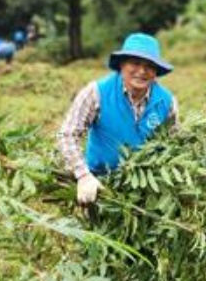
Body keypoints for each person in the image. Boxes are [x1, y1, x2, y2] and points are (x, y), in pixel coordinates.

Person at [57, 33, 178, 205]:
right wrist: (83, 176)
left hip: (146, 187)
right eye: (135, 63)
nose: (142, 71)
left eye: (149, 66)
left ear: (156, 71)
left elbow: (172, 144)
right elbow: (67, 134)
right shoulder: (96, 93)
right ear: (122, 65)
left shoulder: (167, 102)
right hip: (100, 185)